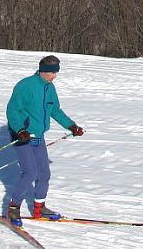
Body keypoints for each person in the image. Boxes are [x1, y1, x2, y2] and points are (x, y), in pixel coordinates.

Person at [5, 55, 84, 226]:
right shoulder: (26, 85)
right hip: (22, 136)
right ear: (43, 70)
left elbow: (55, 110)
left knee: (44, 173)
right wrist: (19, 130)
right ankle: (13, 209)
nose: (54, 76)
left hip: (38, 136)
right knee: (30, 173)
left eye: (56, 72)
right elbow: (12, 110)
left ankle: (39, 208)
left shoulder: (50, 88)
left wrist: (71, 126)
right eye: (52, 73)